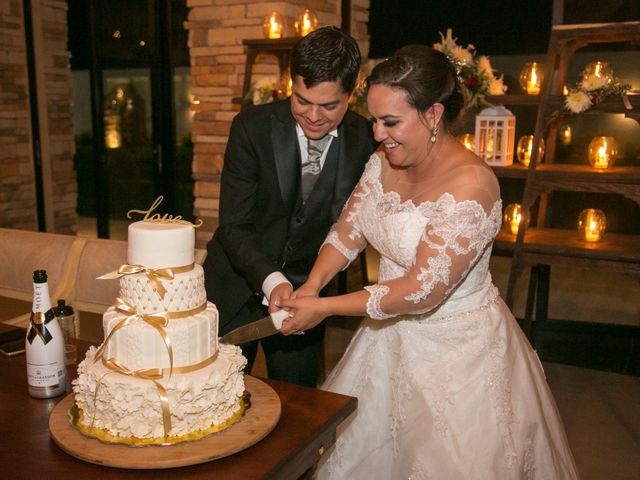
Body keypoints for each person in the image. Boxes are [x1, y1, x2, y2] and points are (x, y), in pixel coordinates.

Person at [278, 45, 579, 479]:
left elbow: (422, 290)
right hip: (385, 337)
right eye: (375, 120)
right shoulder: (383, 160)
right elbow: (350, 230)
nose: (378, 134)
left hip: (460, 359)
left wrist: (323, 308)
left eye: (391, 122)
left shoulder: (472, 184)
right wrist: (312, 286)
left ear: (434, 115)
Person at [203, 26, 375, 387]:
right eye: (301, 100)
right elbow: (233, 226)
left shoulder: (366, 139)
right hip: (234, 289)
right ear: (290, 82)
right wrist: (272, 281)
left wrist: (307, 288)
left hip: (307, 301)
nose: (313, 115)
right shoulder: (251, 127)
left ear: (352, 91)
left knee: (297, 408)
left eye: (328, 105)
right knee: (217, 397)